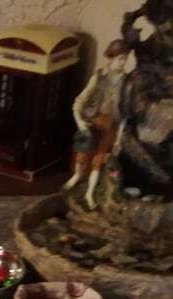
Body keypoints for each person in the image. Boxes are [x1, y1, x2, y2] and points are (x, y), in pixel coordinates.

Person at [64, 39, 130, 209]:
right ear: (111, 58)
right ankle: (77, 177)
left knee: (99, 159)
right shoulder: (99, 76)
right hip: (93, 120)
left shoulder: (126, 81)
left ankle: (90, 193)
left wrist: (119, 136)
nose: (123, 62)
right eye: (120, 58)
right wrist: (80, 121)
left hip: (111, 124)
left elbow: (125, 112)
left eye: (125, 58)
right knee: (83, 154)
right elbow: (80, 100)